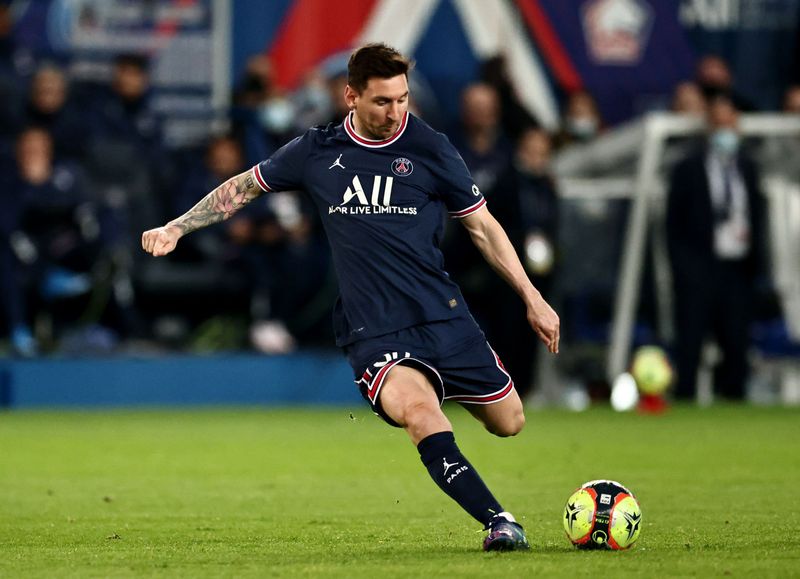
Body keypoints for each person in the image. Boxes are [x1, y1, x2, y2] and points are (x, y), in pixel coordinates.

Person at [142, 43, 559, 551]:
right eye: (383, 101)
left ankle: (437, 387)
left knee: (508, 421)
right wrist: (178, 226)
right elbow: (245, 187)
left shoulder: (430, 147)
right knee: (423, 415)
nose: (396, 112)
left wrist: (531, 296)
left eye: (402, 99)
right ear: (351, 97)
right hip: (374, 327)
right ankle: (499, 521)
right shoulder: (317, 151)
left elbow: (482, 227)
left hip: (442, 316)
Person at [666, 93, 765, 401]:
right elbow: (673, 225)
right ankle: (685, 402)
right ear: (709, 127)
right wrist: (683, 269)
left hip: (737, 269)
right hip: (699, 270)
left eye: (730, 123)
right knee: (691, 342)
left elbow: (757, 215)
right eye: (719, 123)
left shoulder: (748, 167)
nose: (725, 130)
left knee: (736, 343)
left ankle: (733, 402)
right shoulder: (688, 168)